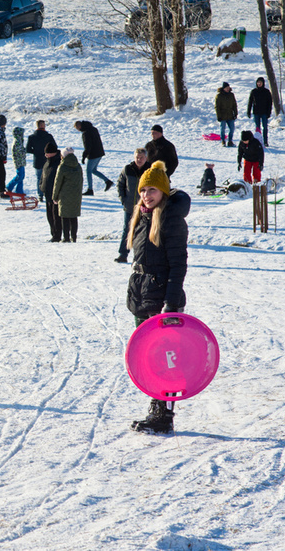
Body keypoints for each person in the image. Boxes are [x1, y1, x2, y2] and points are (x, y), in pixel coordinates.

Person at [127, 161, 190, 434]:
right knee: (148, 358)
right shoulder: (142, 216)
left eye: (152, 190)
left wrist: (171, 304)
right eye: (143, 190)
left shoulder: (170, 219)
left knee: (164, 359)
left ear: (164, 191)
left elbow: (178, 265)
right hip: (143, 295)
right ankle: (155, 407)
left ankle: (164, 415)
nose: (146, 195)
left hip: (162, 298)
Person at [115, 148, 147, 263]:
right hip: (129, 206)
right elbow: (120, 184)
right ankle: (123, 254)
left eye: (142, 157)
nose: (139, 160)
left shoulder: (150, 170)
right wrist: (123, 199)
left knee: (144, 232)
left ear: (146, 158)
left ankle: (142, 257)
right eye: (137, 157)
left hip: (145, 207)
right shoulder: (128, 169)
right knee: (127, 230)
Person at [52, 147, 83, 243]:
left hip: (64, 195)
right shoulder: (78, 166)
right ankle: (74, 237)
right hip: (76, 195)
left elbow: (57, 183)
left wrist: (54, 196)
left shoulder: (62, 166)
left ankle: (66, 238)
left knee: (65, 216)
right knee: (74, 216)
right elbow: (81, 180)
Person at [74, 120, 113, 196]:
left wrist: (84, 156)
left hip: (93, 154)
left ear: (79, 126)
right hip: (100, 153)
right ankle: (107, 181)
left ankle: (90, 189)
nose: (78, 130)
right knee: (93, 170)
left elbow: (87, 146)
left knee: (88, 171)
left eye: (77, 129)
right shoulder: (93, 128)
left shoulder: (85, 133)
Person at [25, 120, 57, 201]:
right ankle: (49, 193)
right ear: (43, 126)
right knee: (49, 177)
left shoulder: (31, 137)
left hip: (37, 160)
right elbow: (55, 147)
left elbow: (28, 149)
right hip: (48, 160)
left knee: (39, 178)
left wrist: (36, 152)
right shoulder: (49, 136)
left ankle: (40, 195)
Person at [40, 143, 62, 242]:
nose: (45, 155)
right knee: (49, 216)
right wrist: (41, 186)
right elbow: (43, 176)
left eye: (47, 153)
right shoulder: (47, 162)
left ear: (53, 153)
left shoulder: (59, 163)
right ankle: (53, 234)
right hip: (47, 193)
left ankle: (57, 236)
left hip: (56, 195)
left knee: (56, 216)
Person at [247, 77, 273, 147]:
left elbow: (270, 103)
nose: (259, 84)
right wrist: (248, 111)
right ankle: (258, 141)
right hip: (256, 112)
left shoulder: (267, 92)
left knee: (265, 127)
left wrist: (269, 112)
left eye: (260, 83)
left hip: (264, 113)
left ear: (263, 83)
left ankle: (265, 141)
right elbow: (250, 102)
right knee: (257, 128)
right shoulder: (254, 91)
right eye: (258, 82)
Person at [215, 82, 238, 147]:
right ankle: (223, 141)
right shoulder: (219, 96)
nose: (227, 89)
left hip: (230, 115)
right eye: (226, 88)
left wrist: (235, 113)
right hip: (223, 115)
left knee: (232, 129)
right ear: (223, 88)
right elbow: (217, 107)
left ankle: (230, 141)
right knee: (222, 129)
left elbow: (234, 105)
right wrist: (219, 116)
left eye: (228, 87)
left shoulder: (231, 95)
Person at [6, 126, 26, 195]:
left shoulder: (19, 141)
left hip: (21, 161)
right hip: (18, 162)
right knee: (19, 176)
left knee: (22, 176)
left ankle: (19, 190)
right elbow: (20, 152)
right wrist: (26, 150)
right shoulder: (17, 141)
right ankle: (9, 186)